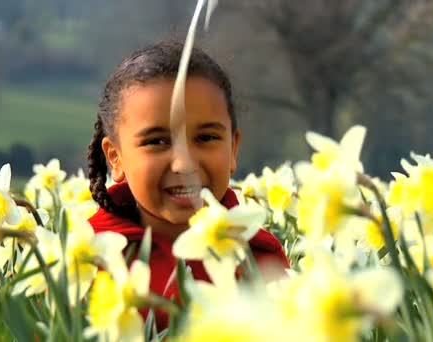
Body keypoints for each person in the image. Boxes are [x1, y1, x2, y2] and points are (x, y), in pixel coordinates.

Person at [86, 40, 288, 328]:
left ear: (233, 148)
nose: (184, 164)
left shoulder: (261, 259)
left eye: (206, 138)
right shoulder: (87, 260)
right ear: (115, 158)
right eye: (157, 141)